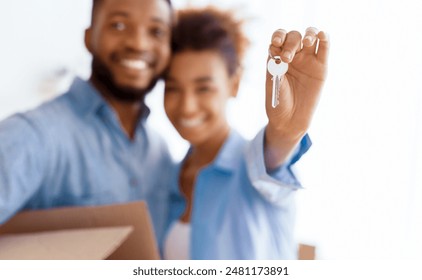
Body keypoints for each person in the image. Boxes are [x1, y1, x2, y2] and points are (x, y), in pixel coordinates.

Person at [0, 0, 175, 245]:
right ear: (89, 37)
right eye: (119, 25)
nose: (138, 43)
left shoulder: (160, 152)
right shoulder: (33, 134)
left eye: (156, 31)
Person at [162, 7, 329, 259]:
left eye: (203, 88)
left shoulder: (254, 166)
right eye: (173, 88)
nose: (187, 105)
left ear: (234, 84)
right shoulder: (165, 178)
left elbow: (275, 155)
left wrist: (287, 130)